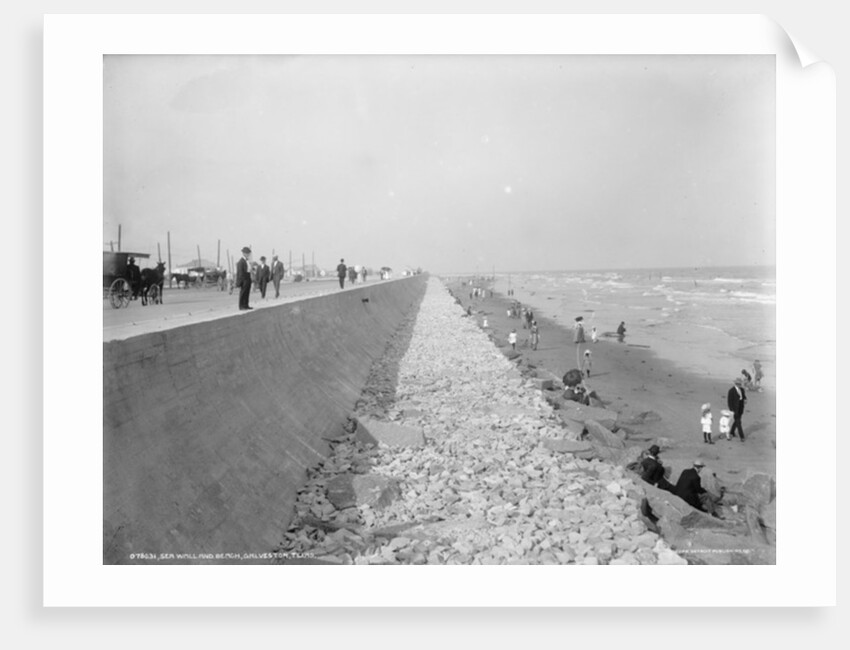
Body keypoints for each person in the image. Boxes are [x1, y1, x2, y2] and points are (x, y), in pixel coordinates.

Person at [726, 377, 747, 441]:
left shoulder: (742, 389)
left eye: (740, 384)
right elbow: (729, 402)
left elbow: (743, 396)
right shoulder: (731, 391)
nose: (739, 385)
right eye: (738, 384)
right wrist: (731, 410)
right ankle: (742, 436)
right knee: (738, 422)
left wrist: (745, 399)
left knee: (737, 421)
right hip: (734, 409)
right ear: (735, 383)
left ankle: (732, 432)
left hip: (741, 407)